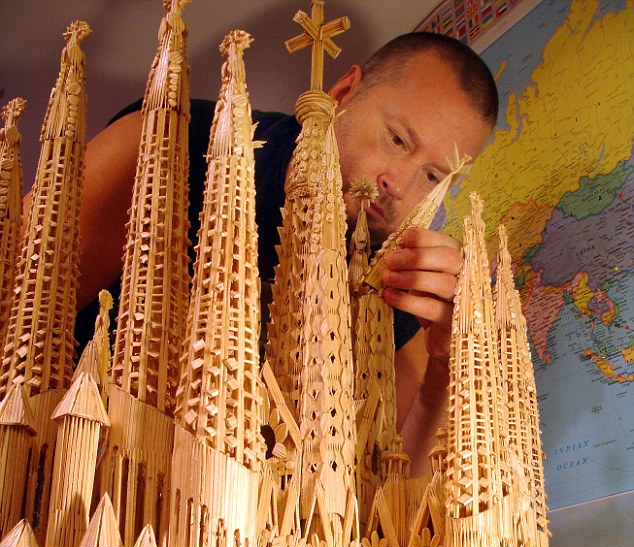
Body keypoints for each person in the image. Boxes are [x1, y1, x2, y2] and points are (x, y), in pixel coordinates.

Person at [70, 31, 498, 475]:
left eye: (432, 176)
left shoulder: (399, 286)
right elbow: (32, 297)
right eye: (397, 140)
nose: (398, 184)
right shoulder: (172, 139)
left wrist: (447, 362)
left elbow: (398, 481)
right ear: (343, 94)